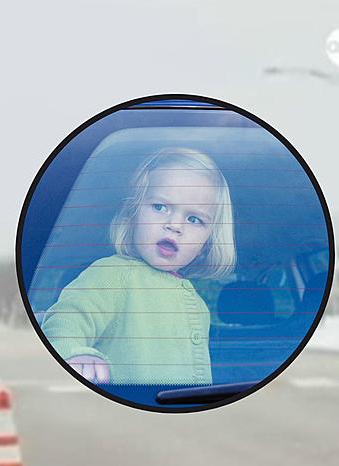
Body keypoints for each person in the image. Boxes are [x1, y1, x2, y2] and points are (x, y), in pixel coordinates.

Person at [41, 147, 236, 385]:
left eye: (194, 219)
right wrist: (76, 354)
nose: (174, 225)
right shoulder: (112, 274)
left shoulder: (198, 305)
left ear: (207, 243)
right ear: (132, 213)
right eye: (160, 207)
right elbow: (67, 320)